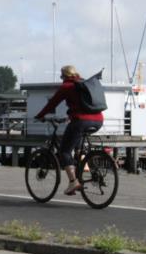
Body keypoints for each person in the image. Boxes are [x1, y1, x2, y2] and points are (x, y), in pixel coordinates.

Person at [33, 65, 103, 195]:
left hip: (81, 121)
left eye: (61, 76)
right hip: (99, 120)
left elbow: (52, 103)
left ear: (64, 76)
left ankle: (73, 182)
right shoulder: (84, 84)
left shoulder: (67, 86)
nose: (62, 79)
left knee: (64, 151)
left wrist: (39, 116)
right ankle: (81, 164)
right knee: (76, 143)